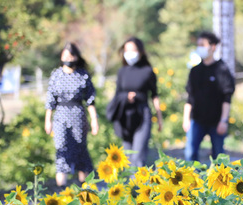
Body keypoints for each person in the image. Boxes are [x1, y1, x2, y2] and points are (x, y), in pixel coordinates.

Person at [44, 42, 99, 187]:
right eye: (65, 55)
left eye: (71, 55)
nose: (68, 58)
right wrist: (47, 120)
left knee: (80, 147)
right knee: (61, 147)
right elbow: (50, 99)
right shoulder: (56, 75)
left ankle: (84, 186)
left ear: (76, 57)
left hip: (78, 115)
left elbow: (90, 100)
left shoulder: (83, 75)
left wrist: (94, 120)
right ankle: (61, 186)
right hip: (60, 115)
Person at [183, 31, 235, 162]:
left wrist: (223, 120)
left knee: (219, 157)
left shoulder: (222, 69)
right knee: (190, 153)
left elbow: (226, 98)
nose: (199, 47)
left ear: (213, 47)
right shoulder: (195, 71)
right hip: (197, 120)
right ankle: (193, 181)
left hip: (216, 121)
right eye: (198, 45)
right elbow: (189, 97)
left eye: (203, 44)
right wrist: (186, 119)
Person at [111, 37, 163, 167]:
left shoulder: (148, 71)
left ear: (140, 51)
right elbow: (117, 94)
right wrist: (126, 97)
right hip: (125, 116)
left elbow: (154, 95)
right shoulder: (121, 71)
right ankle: (130, 186)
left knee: (138, 156)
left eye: (133, 50)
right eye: (127, 50)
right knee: (128, 157)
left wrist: (159, 117)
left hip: (142, 115)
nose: (130, 53)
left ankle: (139, 186)